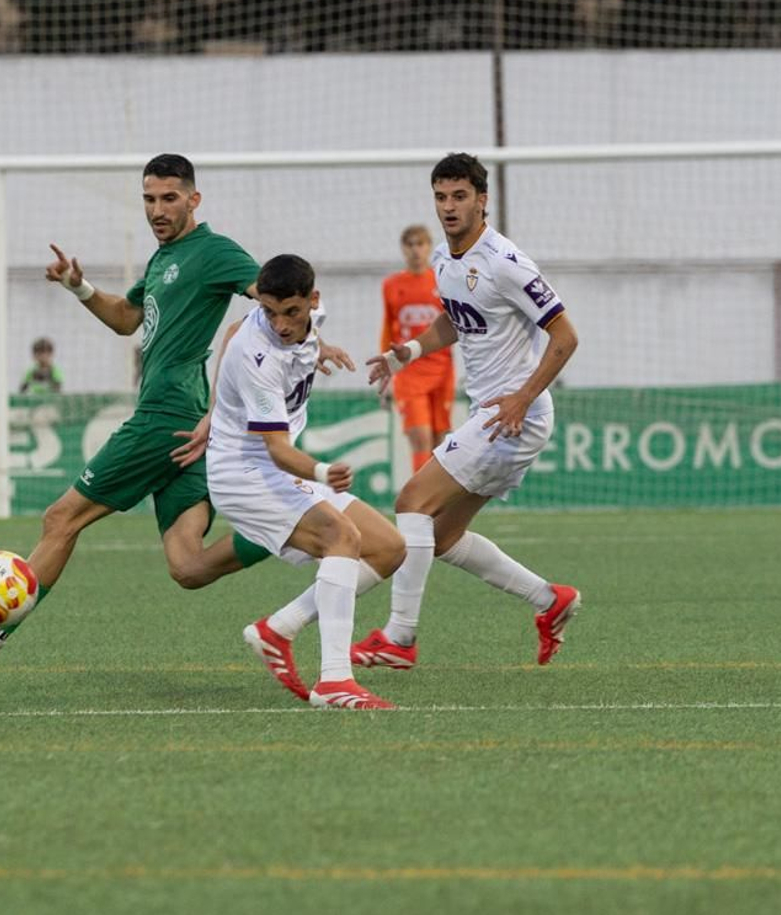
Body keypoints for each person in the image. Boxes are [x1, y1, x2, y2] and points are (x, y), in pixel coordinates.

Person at [0, 153, 350, 668]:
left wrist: (311, 338)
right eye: (149, 199)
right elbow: (127, 319)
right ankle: (278, 531)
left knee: (61, 517)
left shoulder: (214, 252)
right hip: (185, 420)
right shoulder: (162, 260)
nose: (157, 210)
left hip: (164, 415)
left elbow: (275, 298)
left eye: (169, 198)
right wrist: (79, 286)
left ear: (194, 200)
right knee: (188, 566)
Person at [354, 153, 582, 671]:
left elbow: (566, 336)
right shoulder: (444, 258)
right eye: (441, 197)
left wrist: (522, 397)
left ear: (483, 200)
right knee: (440, 538)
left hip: (511, 415)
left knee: (411, 501)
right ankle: (551, 600)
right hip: (495, 415)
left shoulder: (506, 262)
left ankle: (399, 637)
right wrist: (403, 353)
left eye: (460, 197)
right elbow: (456, 319)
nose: (449, 207)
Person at [211, 254, 403, 709]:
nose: (280, 324)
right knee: (342, 536)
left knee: (390, 547)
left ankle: (279, 628)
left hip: (276, 469)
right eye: (270, 312)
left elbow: (244, 328)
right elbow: (277, 450)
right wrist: (322, 473)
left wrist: (321, 348)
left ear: (312, 301)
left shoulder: (310, 318)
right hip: (245, 473)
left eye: (291, 312)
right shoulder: (255, 356)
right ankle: (335, 681)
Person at [381, 223, 456, 471]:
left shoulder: (442, 280)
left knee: (439, 439)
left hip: (442, 369)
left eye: (420, 244)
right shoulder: (392, 285)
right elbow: (388, 329)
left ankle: (439, 503)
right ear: (403, 249)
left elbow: (454, 326)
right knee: (420, 437)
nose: (415, 250)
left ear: (429, 247)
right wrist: (387, 368)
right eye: (410, 245)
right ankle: (421, 502)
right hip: (409, 371)